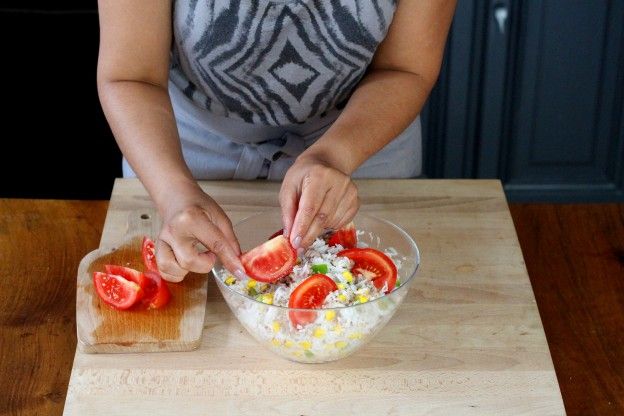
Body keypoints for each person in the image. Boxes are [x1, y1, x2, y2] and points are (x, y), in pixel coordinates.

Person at [97, 0, 455, 282]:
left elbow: (406, 68)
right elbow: (131, 75)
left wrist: (336, 154)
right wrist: (174, 194)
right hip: (187, 148)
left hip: (363, 139)